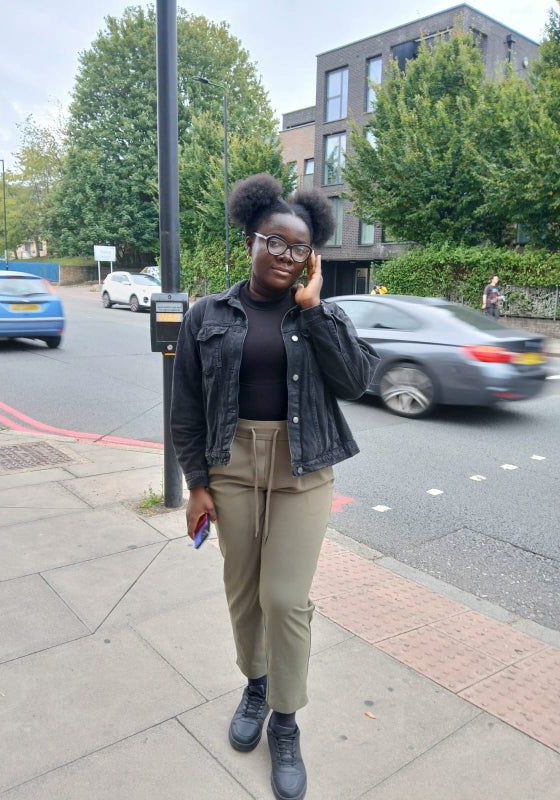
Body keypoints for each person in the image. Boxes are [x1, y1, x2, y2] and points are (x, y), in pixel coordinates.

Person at [171, 172, 379, 800]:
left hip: (302, 466)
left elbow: (356, 381)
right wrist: (196, 484)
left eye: (300, 247)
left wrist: (315, 309)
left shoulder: (318, 312)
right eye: (276, 242)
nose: (286, 256)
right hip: (230, 464)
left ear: (311, 256)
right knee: (243, 594)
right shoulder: (206, 315)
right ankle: (256, 686)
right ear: (250, 241)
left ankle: (285, 721)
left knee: (284, 599)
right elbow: (186, 407)